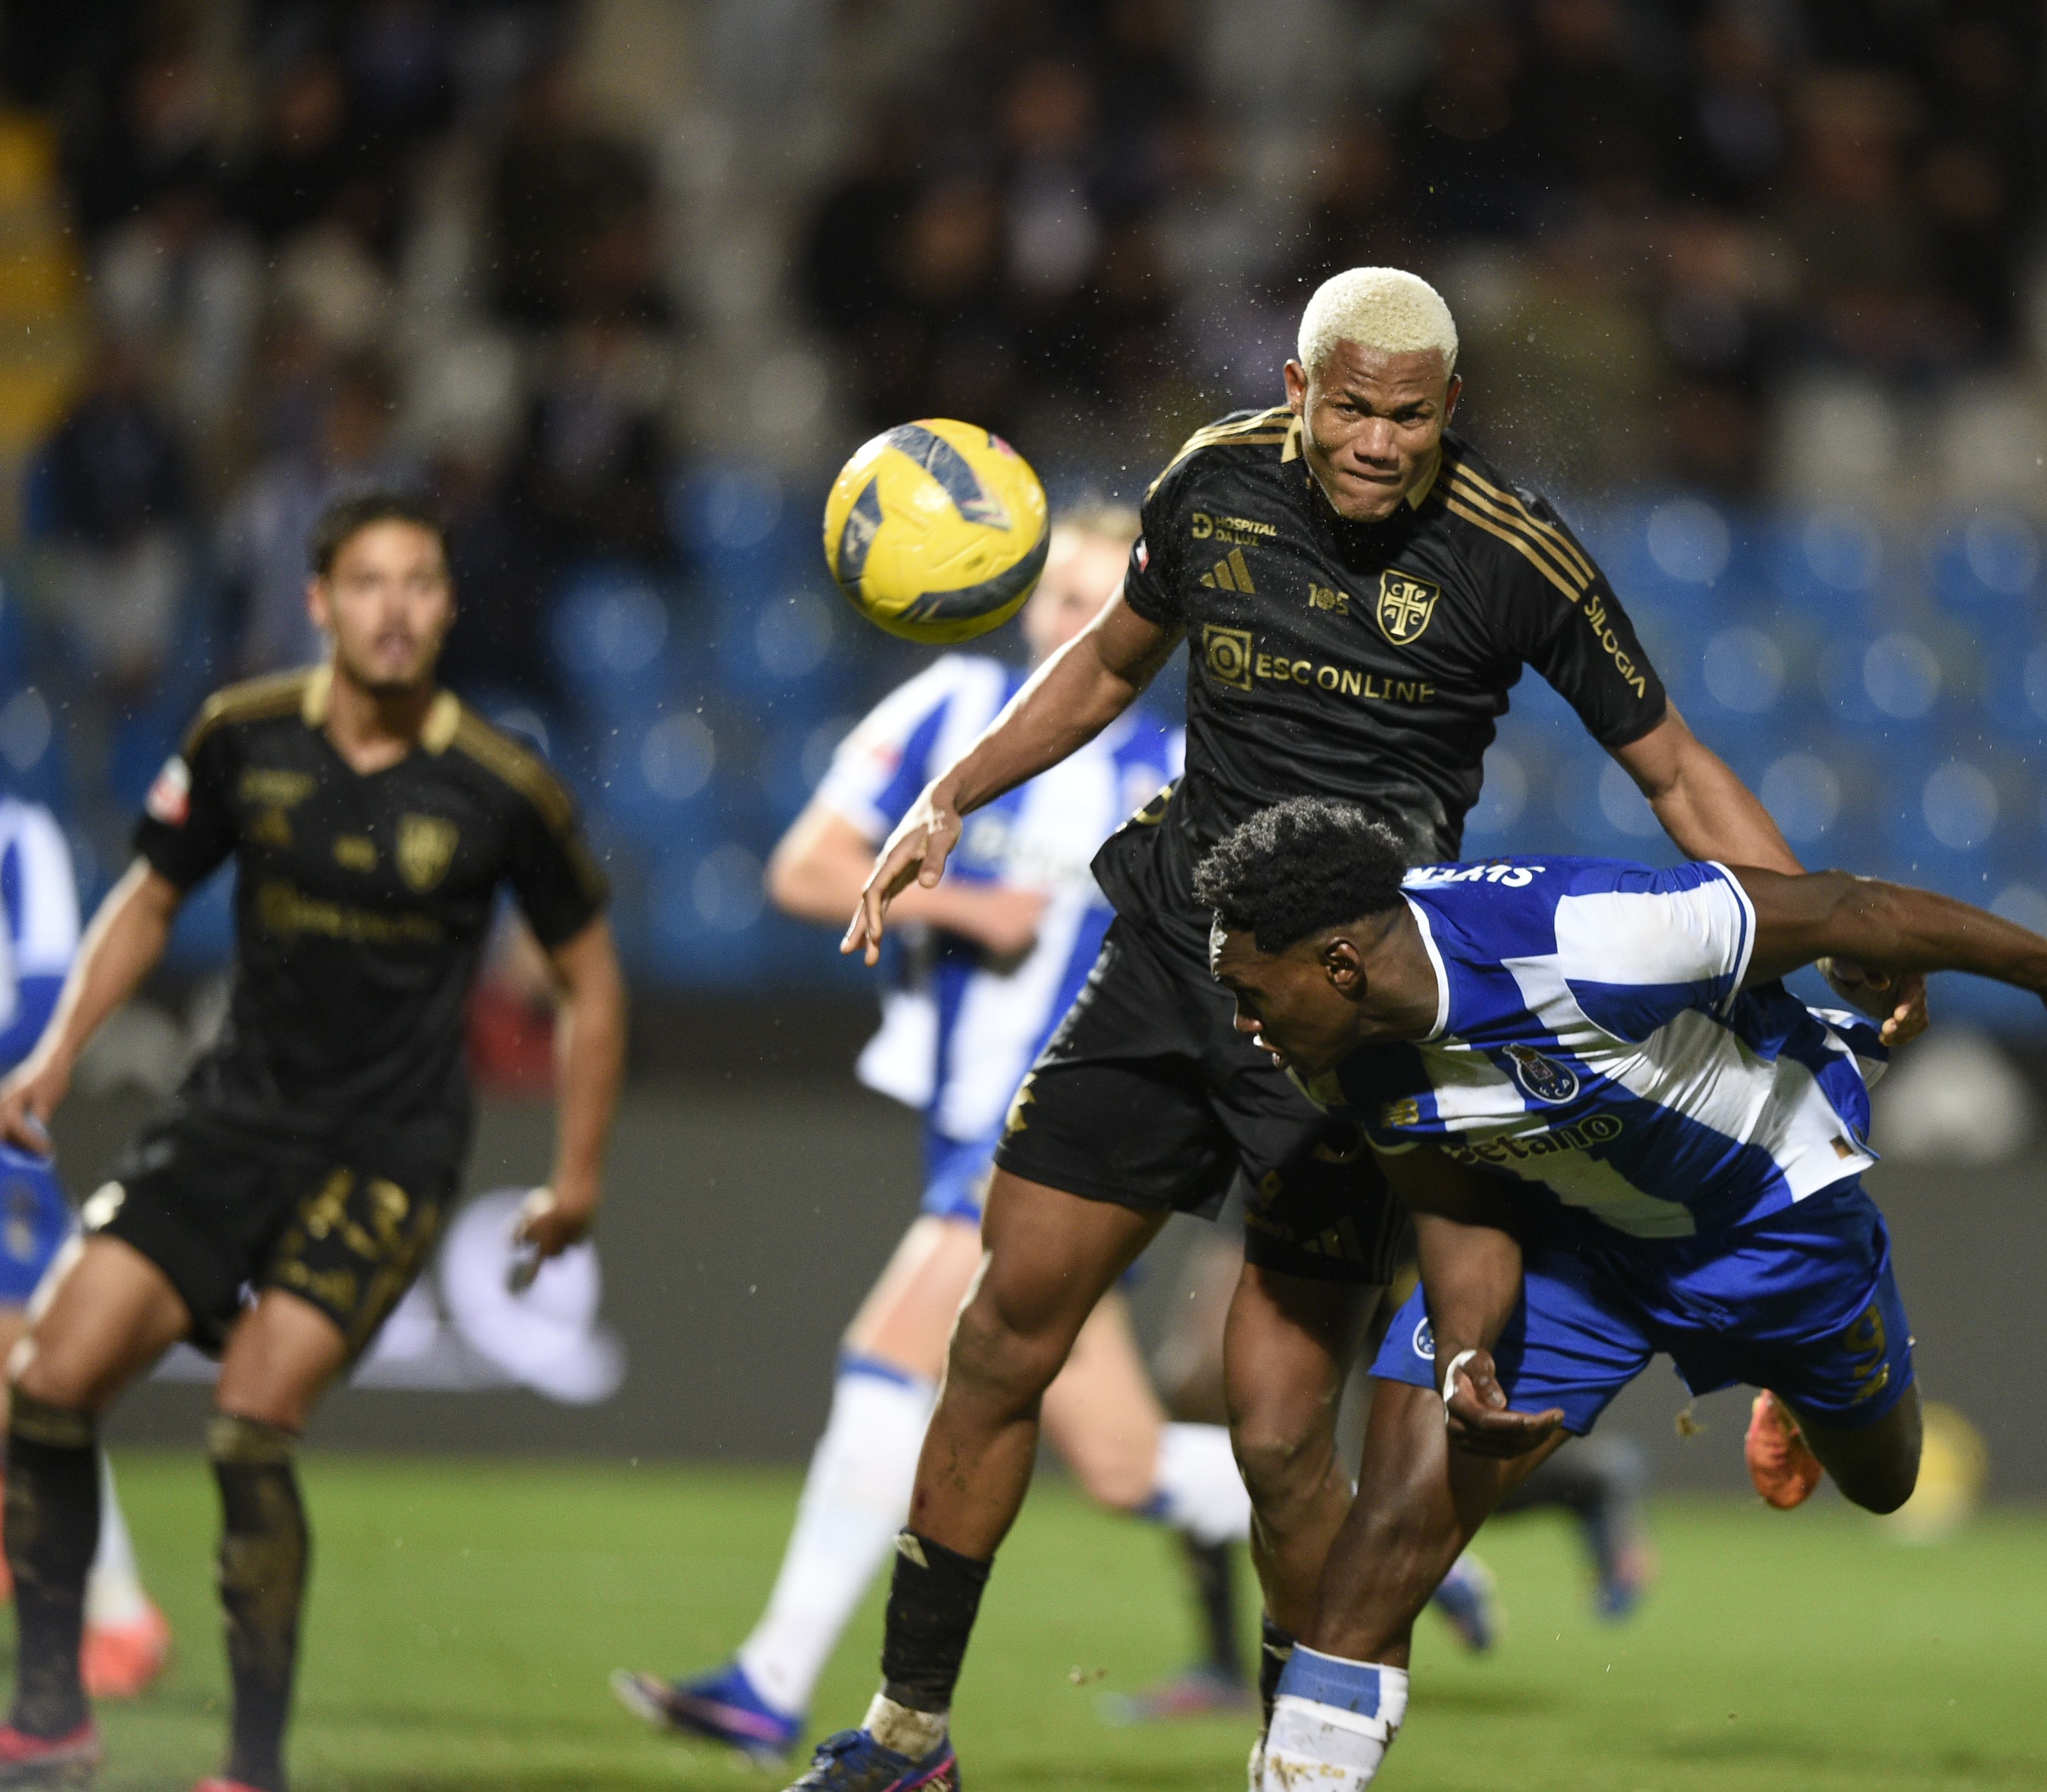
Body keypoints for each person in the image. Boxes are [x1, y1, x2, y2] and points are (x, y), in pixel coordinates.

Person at [786, 265, 1927, 1792]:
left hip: (1344, 1022)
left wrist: (1796, 948)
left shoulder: (1521, 557)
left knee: (1272, 1436)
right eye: (1351, 408)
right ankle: (907, 1742)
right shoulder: (1211, 486)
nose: (1378, 444)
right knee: (1001, 1340)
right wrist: (950, 798)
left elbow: (1673, 771)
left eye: (1409, 417)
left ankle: (1295, 1760)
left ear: (1449, 410)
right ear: (1300, 386)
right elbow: (1113, 665)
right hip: (1166, 964)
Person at [1187, 798, 2047, 1791]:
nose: (1244, 1025)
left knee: (1884, 1481)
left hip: (1773, 1226)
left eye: (1249, 993)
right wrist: (1464, 1353)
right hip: (1577, 1246)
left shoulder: (1590, 937)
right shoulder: (1334, 1059)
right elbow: (1457, 1204)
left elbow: (1840, 907)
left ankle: (1790, 1392)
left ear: (1341, 967)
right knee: (1385, 1541)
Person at [613, 510, 1268, 1759]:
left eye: (1103, 592)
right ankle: (1375, 1527)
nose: (1071, 613)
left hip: (1058, 1130)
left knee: (887, 1354)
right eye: (1056, 588)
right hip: (962, 1124)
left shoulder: (1176, 768)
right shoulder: (953, 706)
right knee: (1128, 1467)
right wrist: (973, 901)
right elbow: (807, 868)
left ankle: (771, 1678)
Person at [0, 490, 626, 1792]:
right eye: (366, 584)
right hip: (228, 1122)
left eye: (418, 585)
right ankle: (50, 1711)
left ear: (448, 608)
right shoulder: (241, 737)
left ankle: (251, 1765)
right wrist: (56, 1054)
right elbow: (152, 893)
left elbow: (592, 978)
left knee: (248, 1425)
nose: (392, 610)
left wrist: (575, 1174)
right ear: (319, 601)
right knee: (48, 1383)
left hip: (387, 1153)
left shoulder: (503, 784)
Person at [0, 795, 171, 1700]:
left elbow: (46, 997)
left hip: (1, 1144)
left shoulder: (20, 836)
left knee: (26, 1375)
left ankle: (118, 1611)